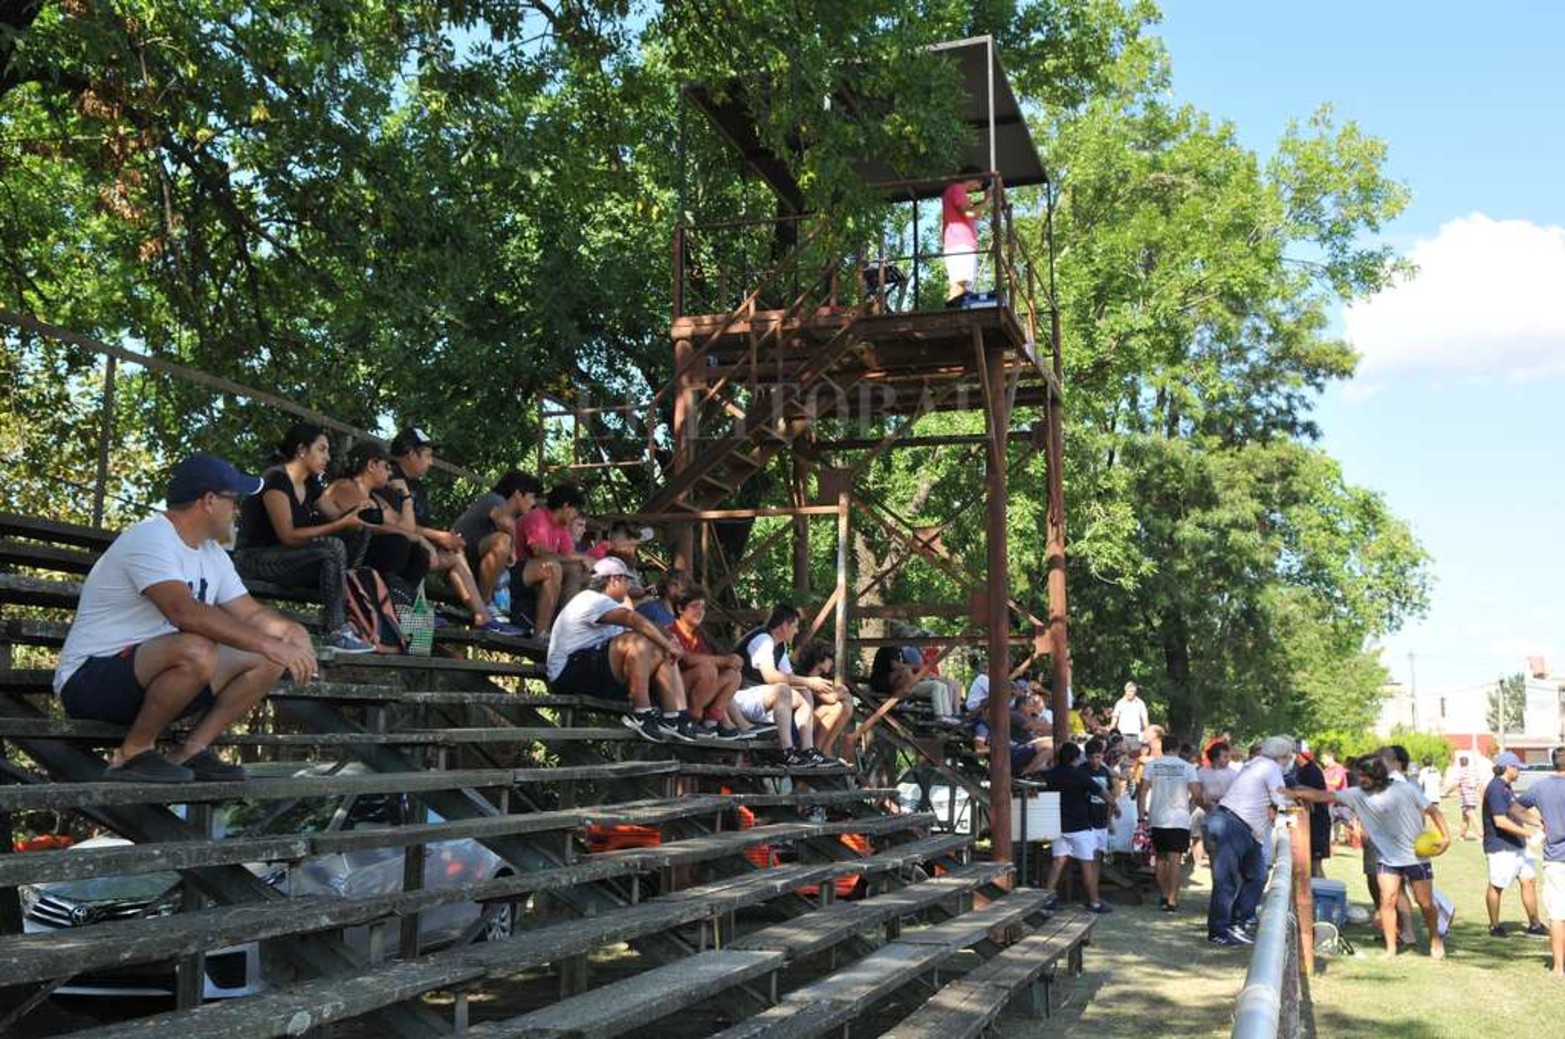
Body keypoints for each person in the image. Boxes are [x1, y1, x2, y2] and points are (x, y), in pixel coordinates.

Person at [54, 454, 318, 782]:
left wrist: (292, 633)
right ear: (209, 501)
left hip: (157, 680)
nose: (237, 511)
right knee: (198, 648)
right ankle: (132, 754)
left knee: (267, 658)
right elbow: (183, 611)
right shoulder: (150, 537)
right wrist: (270, 642)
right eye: (234, 502)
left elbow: (251, 613)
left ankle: (191, 751)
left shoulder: (213, 554)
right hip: (90, 683)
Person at [1289, 754, 1451, 958]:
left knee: (1425, 902)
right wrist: (1292, 792)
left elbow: (1434, 812)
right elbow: (1322, 795)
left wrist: (1446, 838)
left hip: (1415, 856)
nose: (1360, 780)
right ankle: (1391, 949)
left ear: (1377, 775)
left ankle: (1435, 938)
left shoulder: (1405, 790)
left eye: (1364, 776)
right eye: (1359, 776)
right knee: (1387, 899)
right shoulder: (1357, 794)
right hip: (1387, 857)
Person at [233, 423, 373, 653]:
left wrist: (357, 515)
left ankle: (347, 612)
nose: (327, 457)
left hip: (290, 559)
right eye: (322, 449)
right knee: (332, 546)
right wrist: (340, 524)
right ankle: (336, 632)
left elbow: (337, 519)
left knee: (359, 532)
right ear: (301, 450)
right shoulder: (276, 479)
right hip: (254, 559)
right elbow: (288, 536)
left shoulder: (310, 484)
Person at [545, 557, 699, 743]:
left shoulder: (611, 606)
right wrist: (668, 644)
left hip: (592, 672)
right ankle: (641, 713)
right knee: (639, 642)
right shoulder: (591, 599)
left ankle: (675, 716)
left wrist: (668, 640)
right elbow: (632, 619)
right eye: (627, 580)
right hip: (567, 674)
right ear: (614, 580)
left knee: (659, 648)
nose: (629, 587)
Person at [384, 427, 491, 631]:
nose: (431, 462)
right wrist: (438, 537)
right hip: (394, 554)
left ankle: (482, 615)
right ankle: (480, 616)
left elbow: (420, 526)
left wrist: (444, 539)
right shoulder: (389, 478)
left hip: (415, 551)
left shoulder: (418, 487)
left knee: (455, 552)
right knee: (430, 553)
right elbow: (396, 524)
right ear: (411, 454)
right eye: (427, 455)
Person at [314, 442, 435, 609]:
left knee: (419, 554)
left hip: (368, 558)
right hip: (345, 557)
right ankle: (386, 601)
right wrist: (417, 537)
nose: (390, 473)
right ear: (371, 465)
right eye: (386, 467)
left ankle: (400, 601)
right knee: (397, 543)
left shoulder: (377, 499)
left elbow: (407, 529)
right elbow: (364, 524)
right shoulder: (344, 486)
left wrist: (406, 498)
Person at [1206, 736, 1295, 948]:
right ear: (1282, 756)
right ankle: (1219, 931)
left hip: (1243, 826)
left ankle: (1237, 921)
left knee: (1258, 875)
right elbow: (1281, 798)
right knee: (1226, 880)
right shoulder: (1270, 767)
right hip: (1235, 823)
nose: (1290, 761)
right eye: (1289, 756)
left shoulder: (1255, 764)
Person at [452, 470, 543, 623]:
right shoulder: (495, 499)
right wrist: (512, 549)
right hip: (460, 560)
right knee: (502, 541)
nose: (534, 503)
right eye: (532, 497)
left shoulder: (510, 511)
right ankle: (485, 603)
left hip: (477, 563)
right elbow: (505, 523)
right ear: (517, 494)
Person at [1039, 742, 1113, 914]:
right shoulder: (1080, 775)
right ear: (1076, 758)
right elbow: (1101, 792)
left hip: (1059, 825)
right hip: (1080, 826)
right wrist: (1113, 804)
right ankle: (1095, 902)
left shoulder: (1051, 774)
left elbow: (1038, 775)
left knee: (1058, 862)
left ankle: (1047, 899)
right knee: (1087, 864)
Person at [664, 584, 745, 740]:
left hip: (694, 691)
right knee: (707, 669)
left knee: (733, 674)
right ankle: (692, 719)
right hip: (672, 693)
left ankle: (712, 720)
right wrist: (725, 660)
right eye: (695, 606)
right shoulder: (670, 631)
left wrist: (732, 661)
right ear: (680, 609)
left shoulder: (698, 636)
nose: (700, 611)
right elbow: (686, 659)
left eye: (702, 607)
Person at [1482, 751, 1548, 938]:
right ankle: (1495, 926)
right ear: (1508, 768)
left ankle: (1535, 926)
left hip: (1518, 845)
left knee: (1529, 881)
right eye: (1518, 768)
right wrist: (1529, 833)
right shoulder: (1495, 788)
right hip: (1501, 846)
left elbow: (1516, 811)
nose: (1520, 771)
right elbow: (1500, 821)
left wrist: (1539, 822)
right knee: (1497, 885)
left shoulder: (1506, 787)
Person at [1514, 745, 1565, 978]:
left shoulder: (1541, 786)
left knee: (1557, 914)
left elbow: (1515, 808)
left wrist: (1537, 822)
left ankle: (1558, 967)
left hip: (1555, 858)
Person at [516, 483, 595, 632]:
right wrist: (579, 558)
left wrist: (588, 562)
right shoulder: (537, 517)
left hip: (537, 572)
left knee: (583, 573)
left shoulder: (561, 526)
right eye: (575, 511)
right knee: (553, 567)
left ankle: (568, 625)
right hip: (517, 572)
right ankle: (541, 632)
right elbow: (540, 553)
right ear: (566, 506)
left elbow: (570, 555)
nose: (575, 515)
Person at [1138, 738, 1203, 912]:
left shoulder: (1151, 765)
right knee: (1175, 859)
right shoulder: (1188, 767)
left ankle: (1165, 894)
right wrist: (1190, 808)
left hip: (1157, 817)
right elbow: (1197, 795)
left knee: (1160, 858)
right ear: (1178, 748)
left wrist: (1141, 817)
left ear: (1163, 748)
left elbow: (1142, 792)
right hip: (1179, 818)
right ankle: (1173, 899)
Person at [793, 639, 856, 763]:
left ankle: (825, 748)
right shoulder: (806, 678)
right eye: (830, 658)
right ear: (818, 659)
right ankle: (816, 750)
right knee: (835, 708)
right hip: (799, 725)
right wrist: (841, 692)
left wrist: (842, 693)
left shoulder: (821, 678)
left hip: (811, 722)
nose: (832, 662)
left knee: (847, 706)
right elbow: (830, 699)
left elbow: (840, 696)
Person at [867, 645, 958, 720]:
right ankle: (940, 715)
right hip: (905, 687)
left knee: (942, 686)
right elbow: (897, 667)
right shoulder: (893, 651)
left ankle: (948, 715)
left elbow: (917, 670)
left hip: (912, 683)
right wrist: (916, 670)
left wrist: (925, 676)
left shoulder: (903, 653)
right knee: (936, 686)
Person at [941, 167, 989, 306]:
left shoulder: (957, 192)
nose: (978, 187)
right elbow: (971, 213)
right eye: (980, 182)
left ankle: (956, 311)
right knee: (961, 284)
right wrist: (987, 200)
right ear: (972, 178)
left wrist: (984, 202)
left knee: (962, 284)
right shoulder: (957, 188)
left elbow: (976, 213)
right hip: (960, 242)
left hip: (959, 243)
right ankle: (955, 313)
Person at [1295, 745, 1332, 878]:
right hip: (1312, 822)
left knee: (1315, 865)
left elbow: (1310, 801)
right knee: (1309, 865)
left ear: (1299, 755)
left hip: (1317, 823)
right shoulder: (1303, 770)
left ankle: (1322, 890)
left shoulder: (1311, 771)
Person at [1446, 753, 1482, 840]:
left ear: (1460, 763)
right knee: (1465, 817)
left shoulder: (1461, 772)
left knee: (1471, 815)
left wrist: (1447, 792)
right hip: (1473, 796)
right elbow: (1479, 783)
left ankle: (1481, 833)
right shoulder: (1473, 772)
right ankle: (1462, 835)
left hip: (1466, 798)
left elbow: (1456, 784)